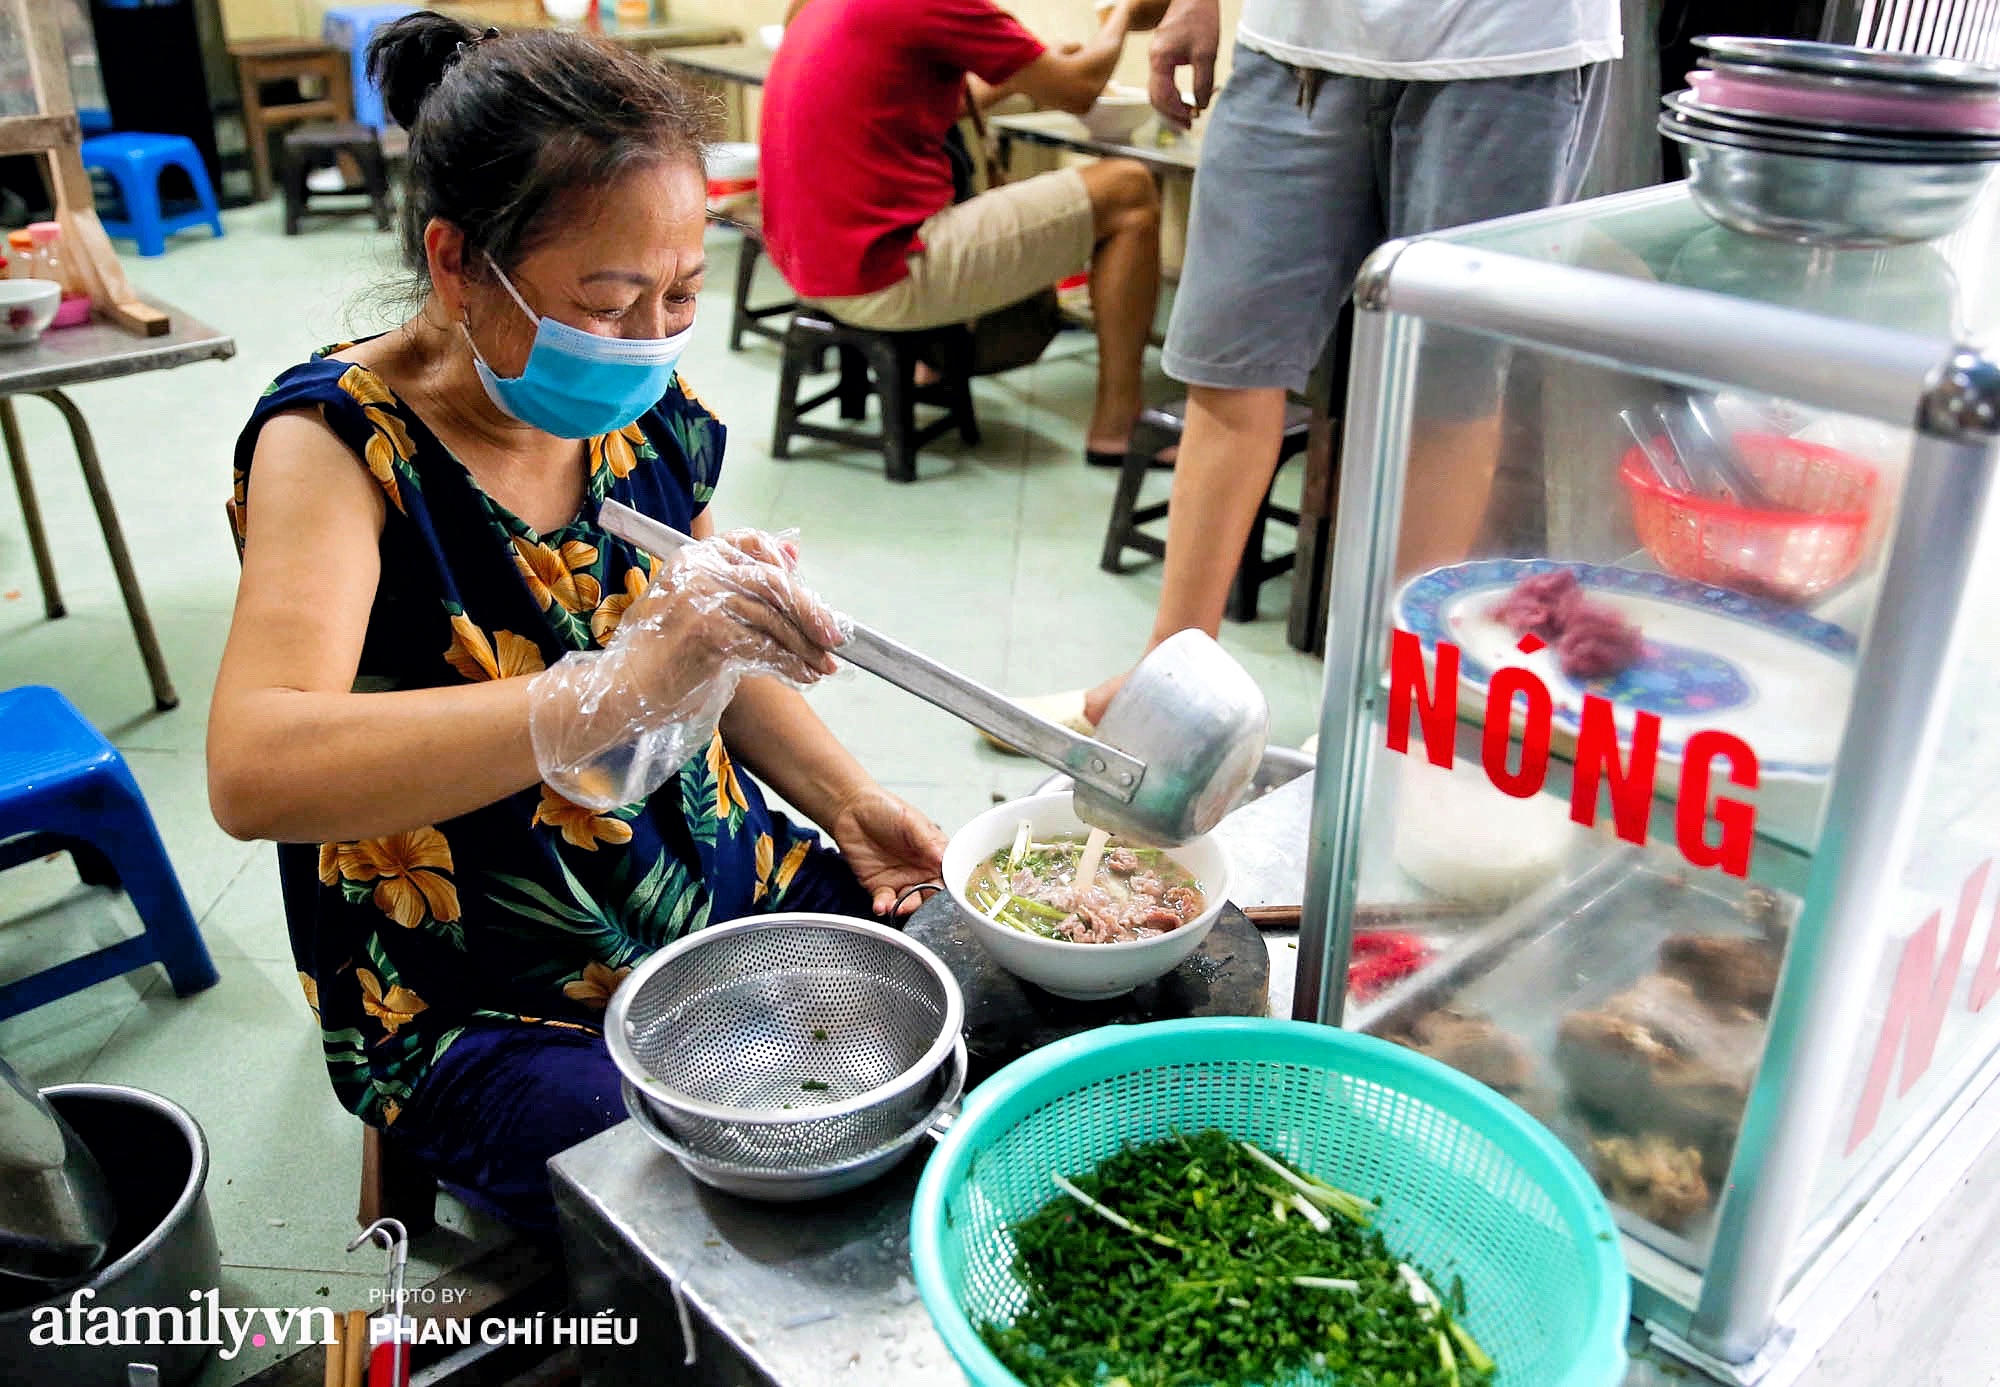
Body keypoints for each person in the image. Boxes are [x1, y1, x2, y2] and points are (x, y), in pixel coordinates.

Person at [206, 13, 946, 1234]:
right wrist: (587, 696)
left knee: (948, 993)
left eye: (682, 294)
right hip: (473, 981)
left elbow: (697, 657)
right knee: (703, 1192)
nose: (653, 335)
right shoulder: (338, 448)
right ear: (455, 264)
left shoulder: (645, 410)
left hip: (697, 877)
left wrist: (850, 806)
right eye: (608, 303)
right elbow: (254, 768)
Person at [1053, 0, 1619, 727]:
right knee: (1228, 360)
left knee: (1449, 392)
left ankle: (1389, 711)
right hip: (1297, 41)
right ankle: (1168, 682)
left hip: (1507, 45)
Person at [760, 0, 1172, 468]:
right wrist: (1124, 16)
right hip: (880, 273)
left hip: (808, 264)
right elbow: (1079, 88)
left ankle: (931, 364)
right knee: (1129, 189)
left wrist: (1020, 70)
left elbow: (931, 100)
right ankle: (1118, 425)